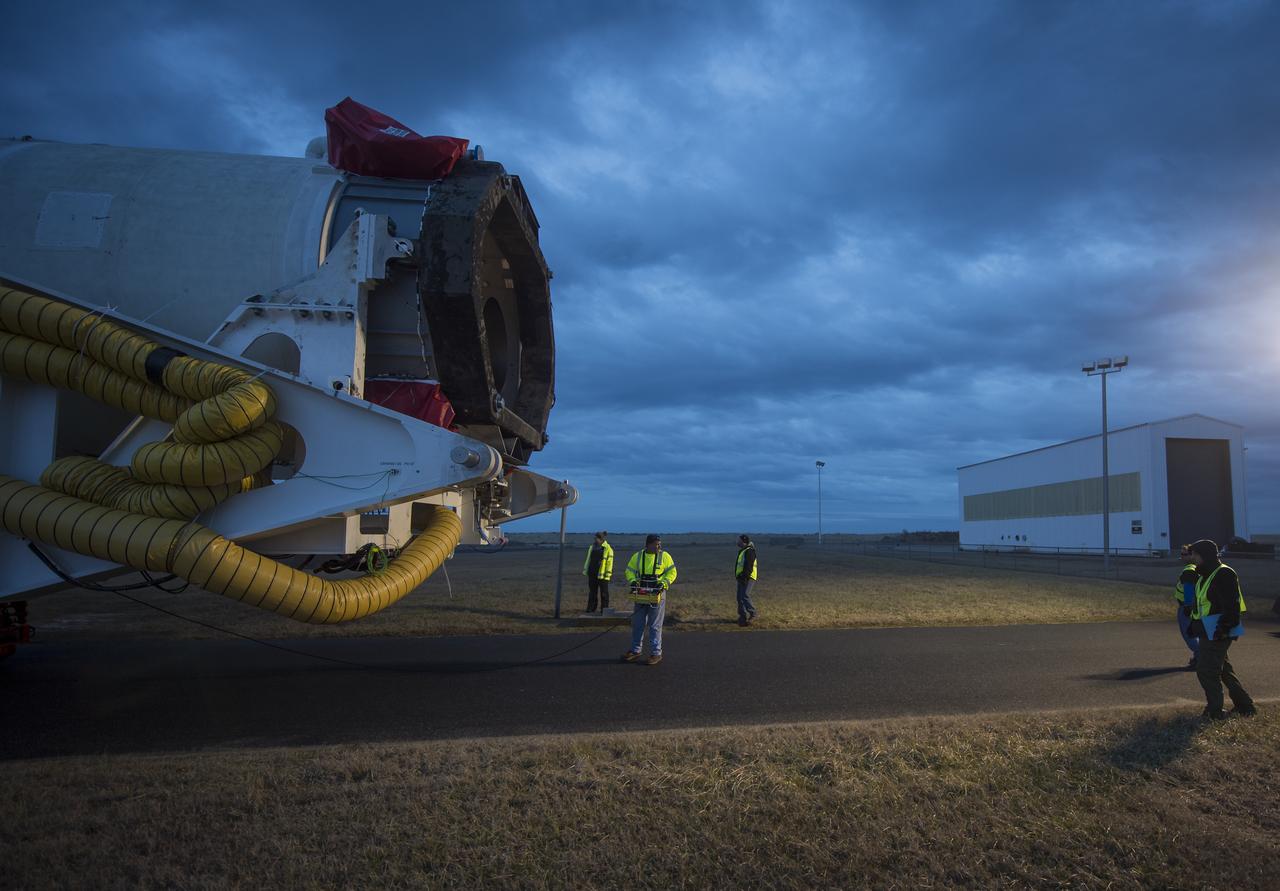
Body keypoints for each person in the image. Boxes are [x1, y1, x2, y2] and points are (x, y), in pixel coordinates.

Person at [1185, 539, 1256, 721]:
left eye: (1194, 554)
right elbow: (1202, 604)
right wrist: (1195, 626)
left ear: (1203, 555)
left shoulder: (1223, 573)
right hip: (1208, 628)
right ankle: (1245, 705)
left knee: (1206, 670)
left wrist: (1223, 628)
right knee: (1223, 670)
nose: (1192, 558)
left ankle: (1214, 711)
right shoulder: (1204, 575)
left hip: (1219, 629)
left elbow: (1231, 605)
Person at [621, 534, 677, 666]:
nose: (659, 546)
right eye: (656, 544)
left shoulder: (665, 556)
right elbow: (629, 571)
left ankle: (656, 653)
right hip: (641, 594)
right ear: (648, 544)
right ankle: (635, 650)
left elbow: (672, 572)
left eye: (659, 544)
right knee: (638, 623)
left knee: (655, 625)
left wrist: (663, 583)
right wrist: (633, 581)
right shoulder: (637, 556)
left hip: (657, 595)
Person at [1174, 548, 1199, 669]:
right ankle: (1199, 656)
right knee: (1194, 633)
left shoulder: (1189, 570)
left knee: (1189, 634)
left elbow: (1189, 590)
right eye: (1181, 554)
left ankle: (1201, 657)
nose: (1182, 556)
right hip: (1193, 606)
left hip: (1186, 607)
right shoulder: (1196, 568)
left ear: (1192, 555)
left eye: (1184, 554)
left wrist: (1188, 607)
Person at [582, 531, 613, 613]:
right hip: (592, 573)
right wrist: (587, 570)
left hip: (603, 576)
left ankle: (604, 610)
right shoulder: (592, 547)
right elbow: (588, 559)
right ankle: (591, 609)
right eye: (594, 538)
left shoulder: (608, 549)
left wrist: (608, 574)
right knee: (592, 593)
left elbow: (609, 563)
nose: (595, 540)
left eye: (596, 538)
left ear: (601, 539)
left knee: (604, 594)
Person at [735, 533, 759, 626]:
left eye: (738, 540)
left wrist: (744, 577)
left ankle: (753, 614)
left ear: (743, 541)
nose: (737, 541)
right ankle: (742, 617)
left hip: (748, 578)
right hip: (742, 578)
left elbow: (748, 566)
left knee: (745, 595)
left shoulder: (749, 551)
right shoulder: (743, 551)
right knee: (739, 598)